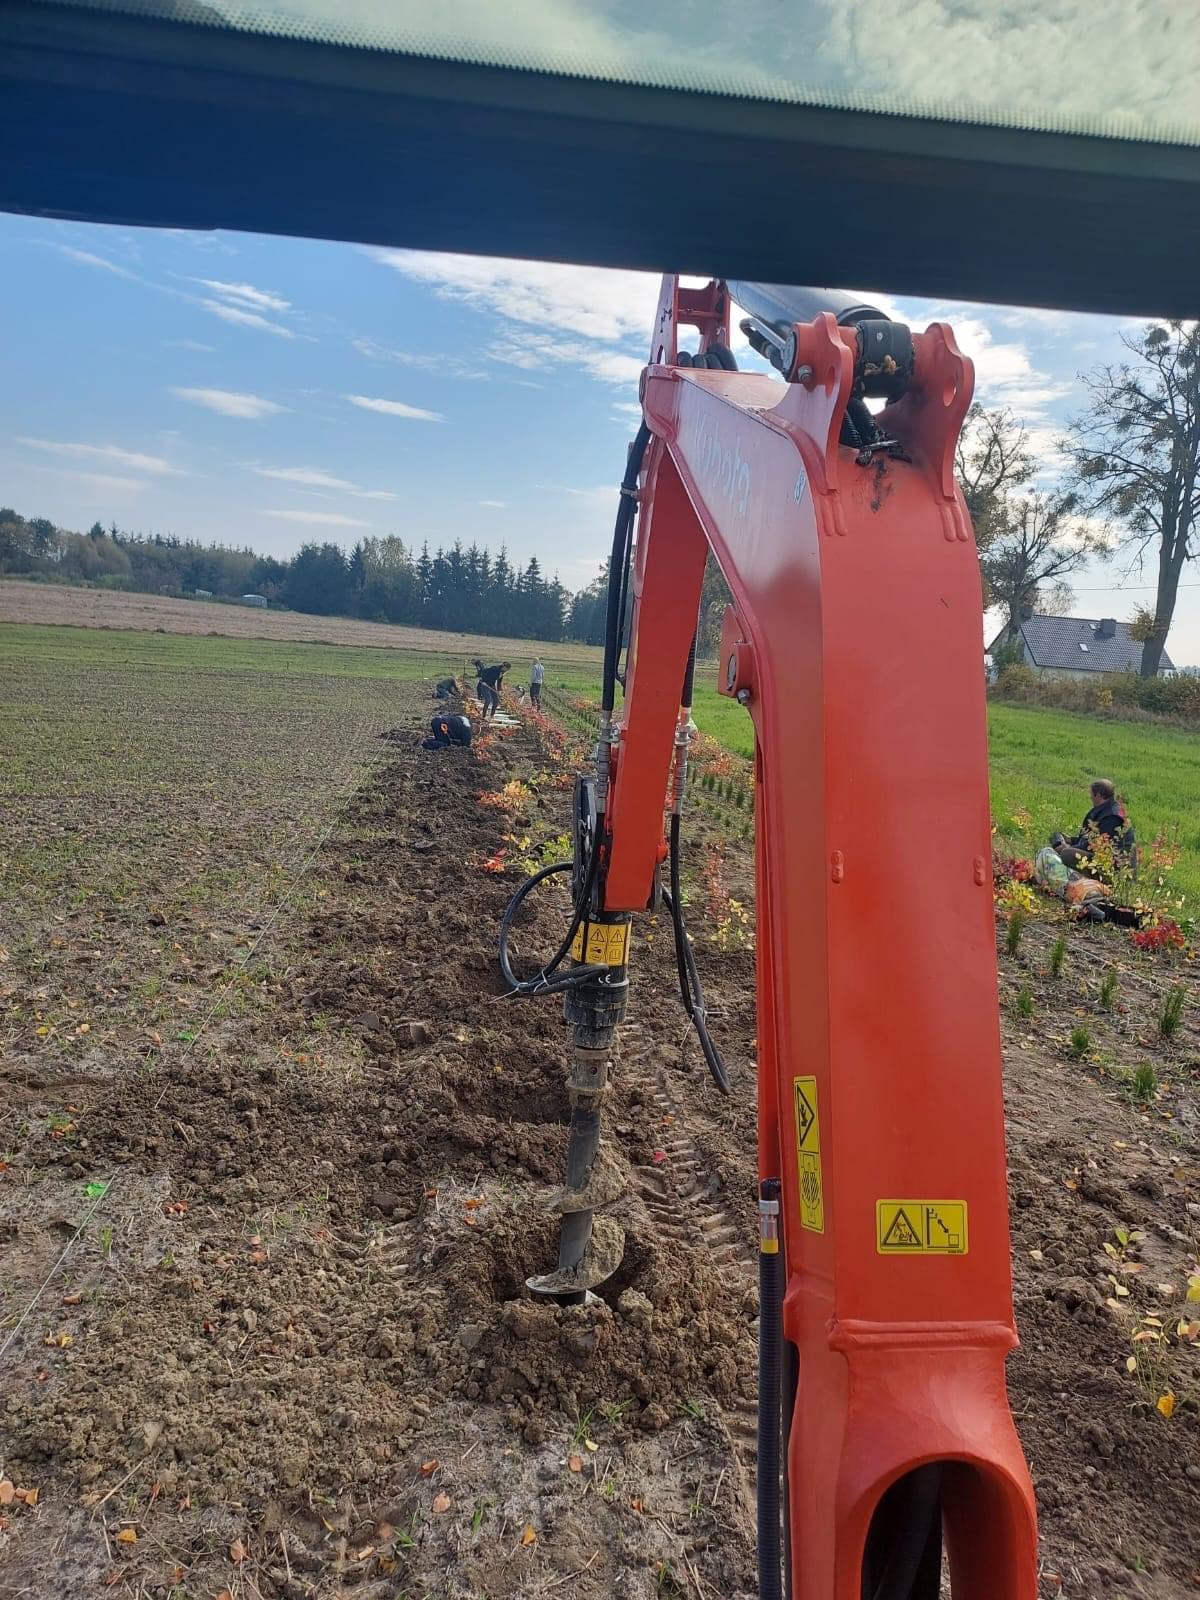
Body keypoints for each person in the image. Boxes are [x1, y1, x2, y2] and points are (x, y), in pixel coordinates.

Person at [1051, 778, 1136, 874]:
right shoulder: (1107, 810)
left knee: (1067, 854)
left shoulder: (1112, 818)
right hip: (1103, 858)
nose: (1090, 797)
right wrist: (1070, 840)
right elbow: (1090, 839)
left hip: (1113, 867)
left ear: (1098, 795)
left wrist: (1067, 847)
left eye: (1091, 794)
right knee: (1057, 841)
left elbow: (1094, 845)